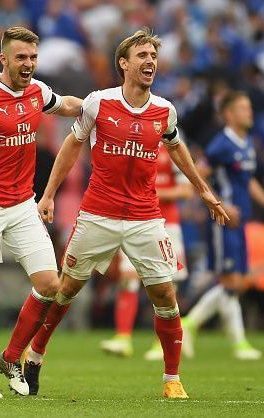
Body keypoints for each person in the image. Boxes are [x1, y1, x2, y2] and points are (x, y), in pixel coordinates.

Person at [22, 28, 229, 399]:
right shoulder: (98, 103)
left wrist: (204, 191)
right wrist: (49, 195)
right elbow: (71, 146)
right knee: (66, 289)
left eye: (153, 56)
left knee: (165, 296)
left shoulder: (164, 110)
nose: (150, 61)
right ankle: (36, 354)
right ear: (124, 64)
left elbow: (178, 147)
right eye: (143, 56)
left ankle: (172, 379)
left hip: (145, 217)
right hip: (97, 214)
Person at [0, 26, 82, 399]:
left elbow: (68, 105)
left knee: (50, 285)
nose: (28, 64)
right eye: (21, 57)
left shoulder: (37, 91)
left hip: (22, 204)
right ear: (4, 58)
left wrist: (103, 102)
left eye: (33, 58)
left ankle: (11, 357)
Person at [181, 91, 264, 360]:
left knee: (236, 283)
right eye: (242, 108)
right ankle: (230, 341)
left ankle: (195, 326)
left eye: (249, 107)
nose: (249, 112)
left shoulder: (246, 142)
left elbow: (247, 180)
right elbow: (197, 174)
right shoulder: (221, 145)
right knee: (230, 282)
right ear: (228, 114)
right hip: (223, 222)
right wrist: (219, 205)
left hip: (241, 222)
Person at [99, 146, 194, 360]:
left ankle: (161, 344)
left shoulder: (172, 145)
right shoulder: (133, 144)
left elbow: (186, 190)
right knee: (128, 278)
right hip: (135, 222)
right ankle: (123, 338)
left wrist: (149, 193)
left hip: (167, 224)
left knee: (167, 284)